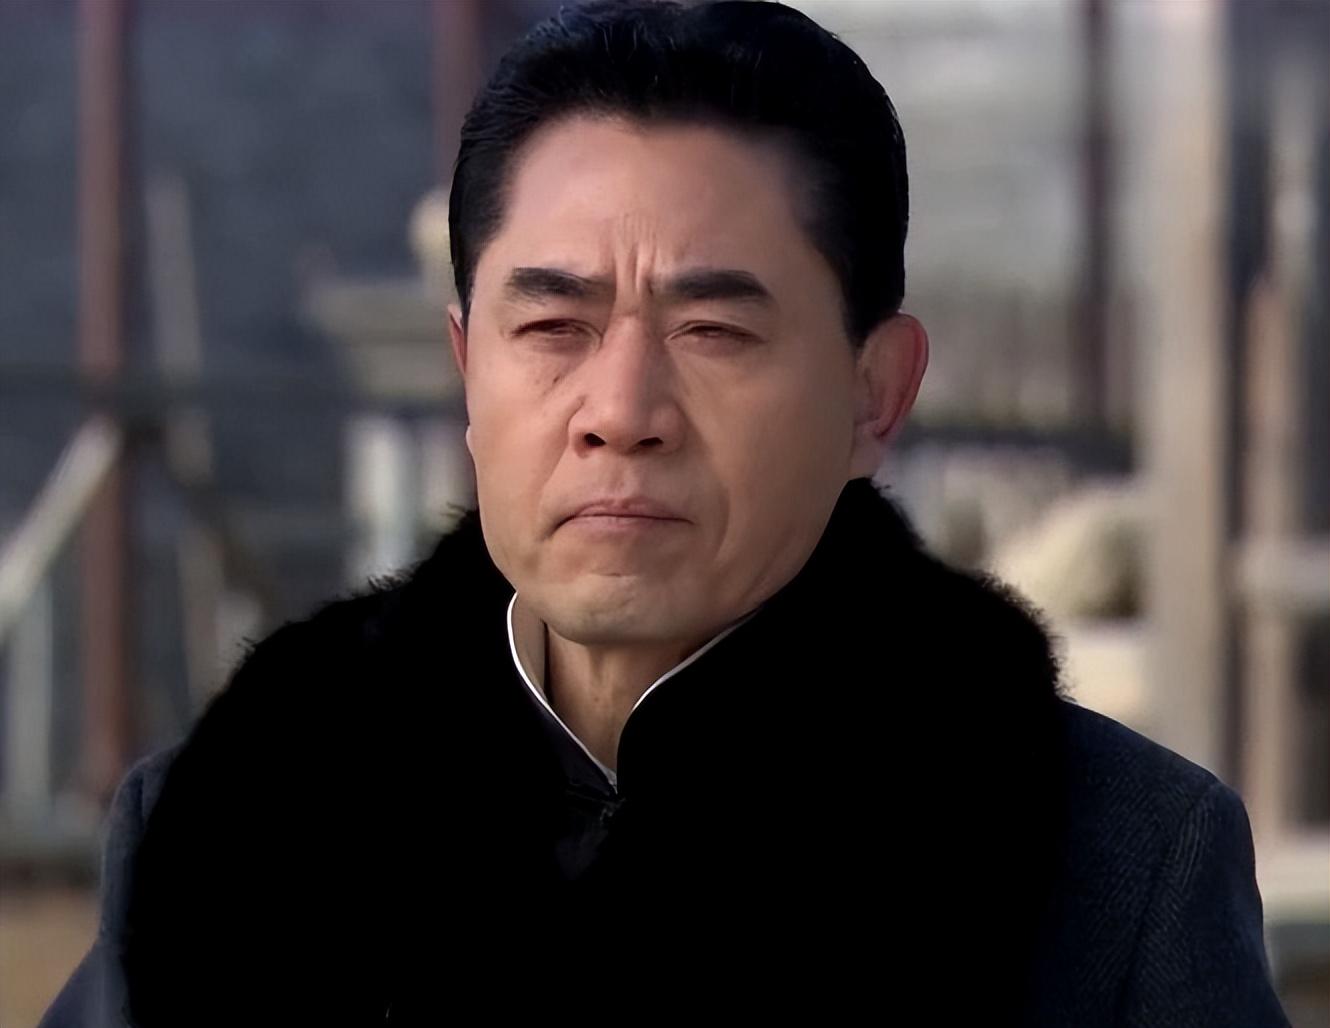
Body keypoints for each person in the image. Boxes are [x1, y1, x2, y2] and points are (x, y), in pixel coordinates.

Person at [42, 2, 1290, 1025]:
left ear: (875, 392)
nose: (621, 411)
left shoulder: (1116, 867)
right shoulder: (236, 828)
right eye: (553, 326)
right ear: (467, 371)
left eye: (713, 331)